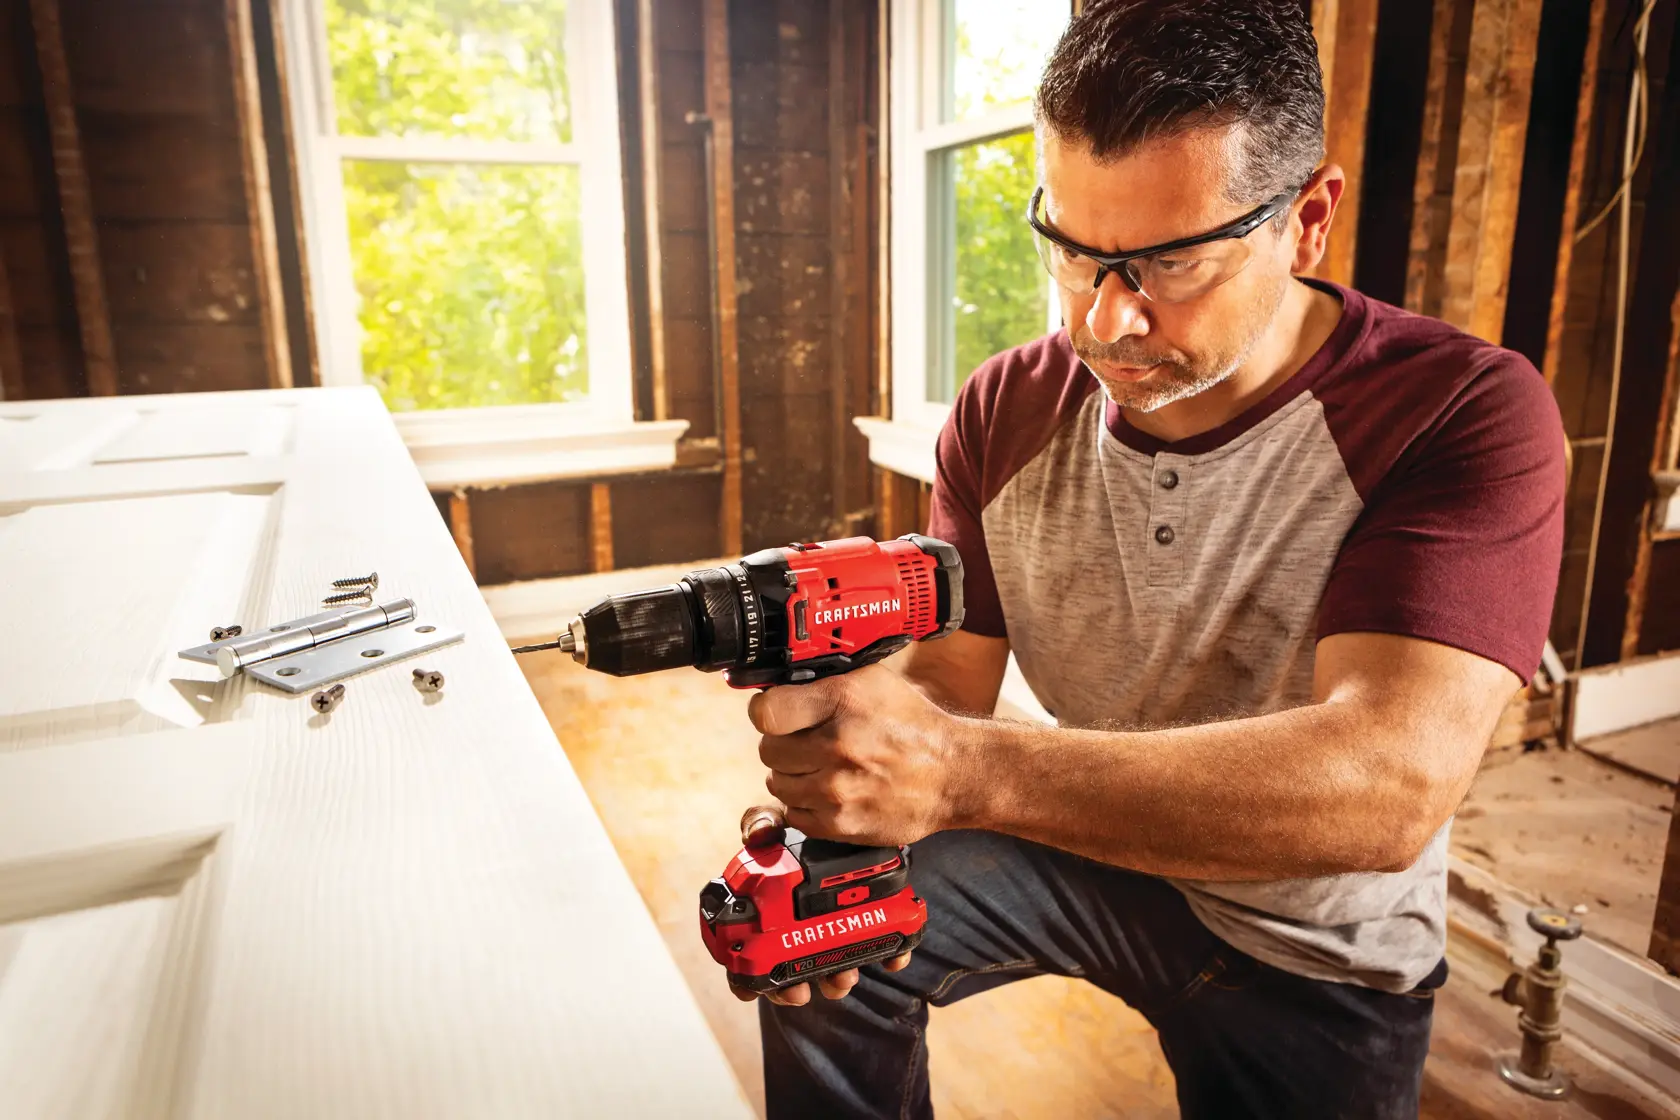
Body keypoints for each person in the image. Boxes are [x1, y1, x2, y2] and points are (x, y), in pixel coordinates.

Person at [733, 1, 1566, 1116]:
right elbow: (946, 685)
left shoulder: (1459, 410)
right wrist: (860, 776)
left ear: (1306, 219)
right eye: (1073, 253)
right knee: (819, 932)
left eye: (1171, 263)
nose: (1108, 318)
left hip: (1319, 947)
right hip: (1088, 848)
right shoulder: (1004, 411)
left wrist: (960, 769)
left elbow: (1387, 788)